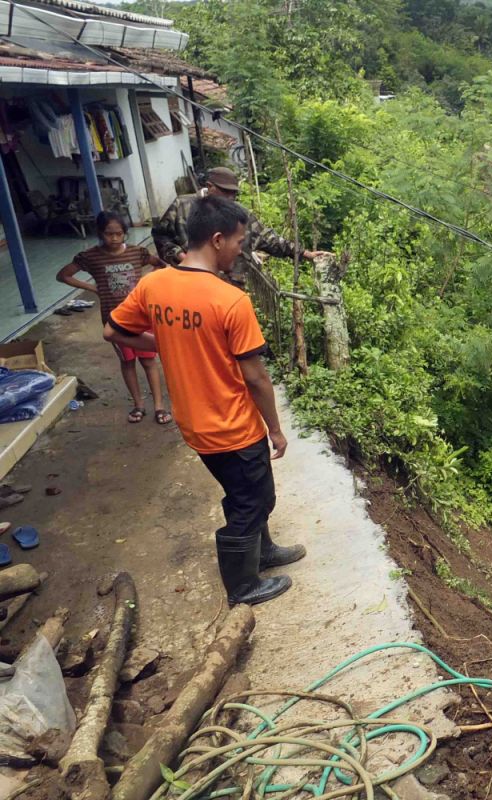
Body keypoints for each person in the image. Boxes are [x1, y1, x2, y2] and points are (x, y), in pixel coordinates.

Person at [105, 196, 306, 606]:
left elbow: (113, 331)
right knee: (255, 499)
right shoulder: (229, 300)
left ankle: (261, 552)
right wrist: (276, 429)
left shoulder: (154, 283)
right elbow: (255, 376)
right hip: (233, 426)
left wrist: (160, 342)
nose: (241, 249)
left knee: (241, 493)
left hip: (194, 425)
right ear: (217, 240)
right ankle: (243, 586)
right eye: (239, 241)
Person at [57, 212, 172, 425]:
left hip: (141, 318)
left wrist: (147, 283)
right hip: (114, 320)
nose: (115, 238)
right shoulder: (91, 257)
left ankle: (159, 406)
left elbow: (161, 264)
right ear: (100, 233)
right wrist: (93, 287)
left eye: (119, 234)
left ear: (125, 233)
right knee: (127, 361)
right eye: (109, 234)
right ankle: (138, 405)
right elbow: (63, 275)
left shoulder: (138, 253)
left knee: (149, 361)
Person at [152, 166, 328, 288]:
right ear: (210, 187)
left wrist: (304, 253)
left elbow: (268, 238)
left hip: (230, 288)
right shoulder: (183, 206)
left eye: (234, 194)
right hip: (190, 285)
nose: (230, 198)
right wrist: (179, 256)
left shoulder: (240, 215)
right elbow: (160, 236)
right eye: (225, 192)